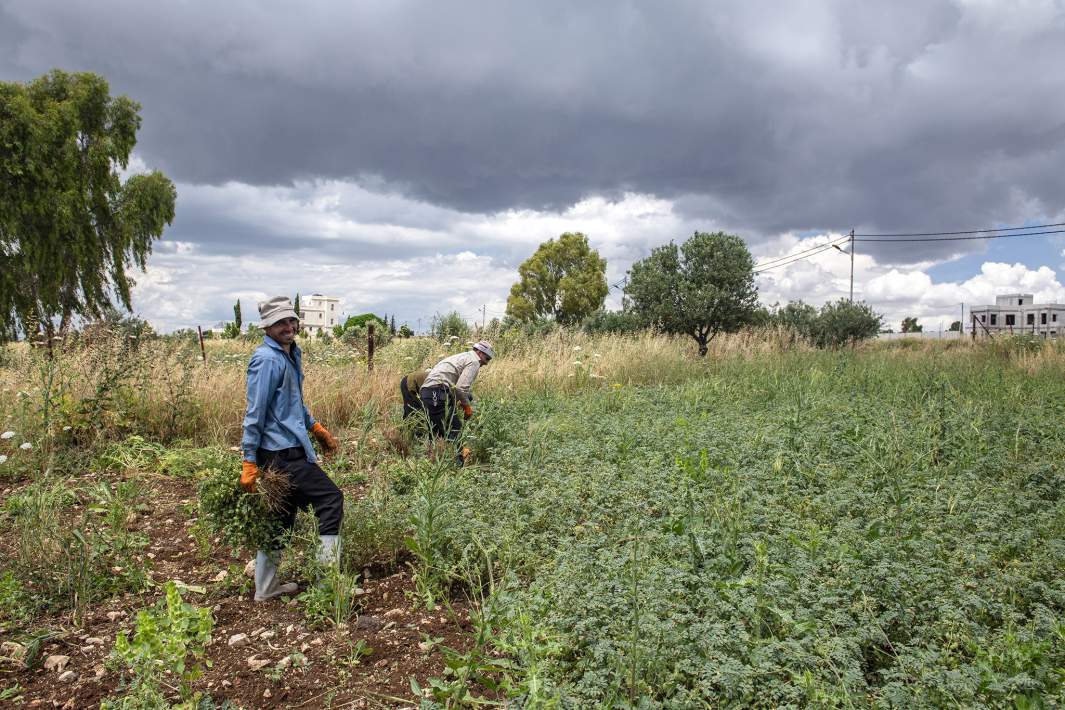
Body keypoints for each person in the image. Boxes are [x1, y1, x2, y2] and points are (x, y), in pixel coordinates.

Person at [240, 296, 344, 601]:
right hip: (280, 453)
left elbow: (292, 402)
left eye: (291, 320)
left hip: (286, 449)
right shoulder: (267, 359)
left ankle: (265, 588)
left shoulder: (289, 354)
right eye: (280, 322)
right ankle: (328, 584)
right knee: (330, 500)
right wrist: (249, 459)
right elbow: (254, 412)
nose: (288, 327)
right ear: (267, 327)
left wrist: (315, 428)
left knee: (280, 517)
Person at [419, 340, 495, 463]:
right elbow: (461, 388)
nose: (486, 363)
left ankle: (430, 463)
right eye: (487, 358)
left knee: (436, 432)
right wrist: (467, 408)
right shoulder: (474, 361)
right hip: (436, 392)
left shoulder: (463, 356)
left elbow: (455, 388)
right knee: (455, 428)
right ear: (480, 353)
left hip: (428, 392)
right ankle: (457, 466)